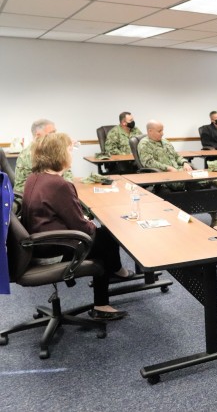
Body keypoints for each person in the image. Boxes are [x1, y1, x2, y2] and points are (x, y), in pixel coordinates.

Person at [21, 133, 129, 320]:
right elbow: (83, 228)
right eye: (70, 150)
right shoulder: (59, 184)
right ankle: (113, 281)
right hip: (54, 248)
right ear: (59, 154)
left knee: (101, 238)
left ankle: (113, 276)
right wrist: (87, 221)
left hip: (37, 245)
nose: (72, 154)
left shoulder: (34, 177)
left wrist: (82, 218)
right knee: (106, 236)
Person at [138, 120, 217, 226]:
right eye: (159, 131)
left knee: (203, 188)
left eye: (162, 130)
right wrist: (167, 168)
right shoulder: (144, 144)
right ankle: (208, 181)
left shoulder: (165, 142)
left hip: (179, 172)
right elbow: (148, 163)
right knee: (193, 183)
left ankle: (215, 217)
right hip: (165, 177)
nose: (162, 133)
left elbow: (177, 156)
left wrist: (185, 163)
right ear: (150, 131)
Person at [14, 119, 74, 195]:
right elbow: (48, 182)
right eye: (52, 133)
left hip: (45, 194)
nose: (55, 136)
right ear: (38, 135)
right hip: (32, 197)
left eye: (55, 132)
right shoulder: (31, 153)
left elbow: (67, 174)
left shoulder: (48, 150)